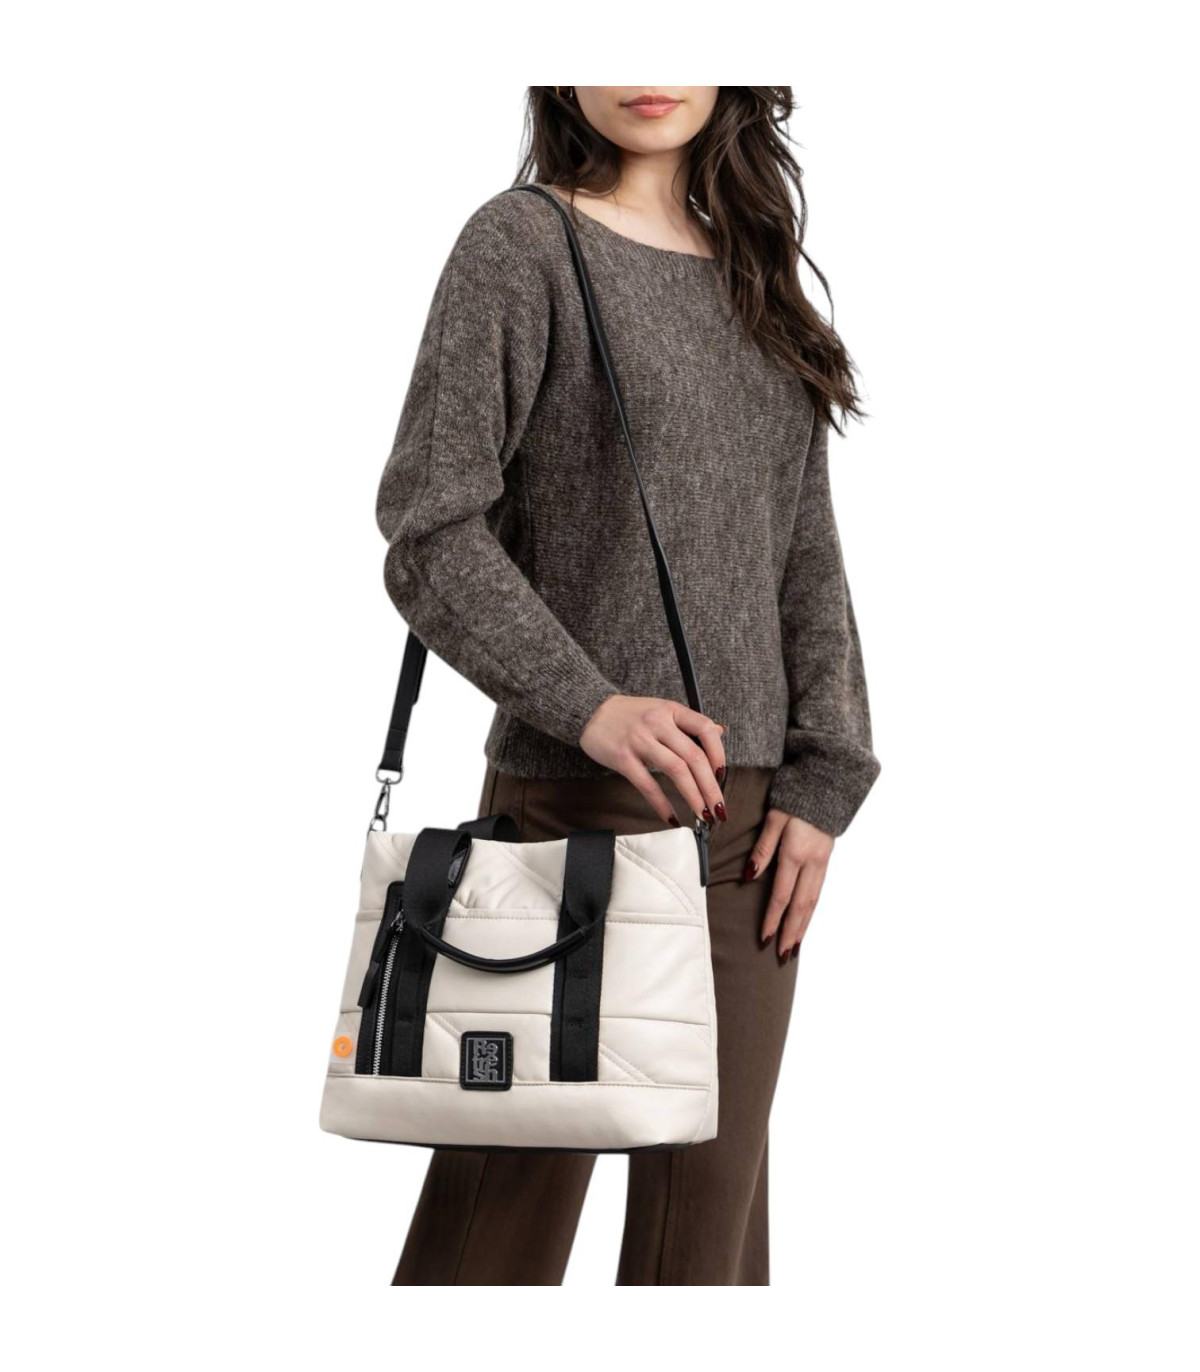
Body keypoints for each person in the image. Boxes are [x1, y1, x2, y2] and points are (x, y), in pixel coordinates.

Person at [375, 86, 880, 1285]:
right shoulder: (522, 243)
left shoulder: (756, 272)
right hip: (573, 804)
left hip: (750, 831)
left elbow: (802, 547)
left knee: (705, 1244)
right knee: (496, 1232)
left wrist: (825, 775)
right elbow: (430, 527)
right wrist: (590, 705)